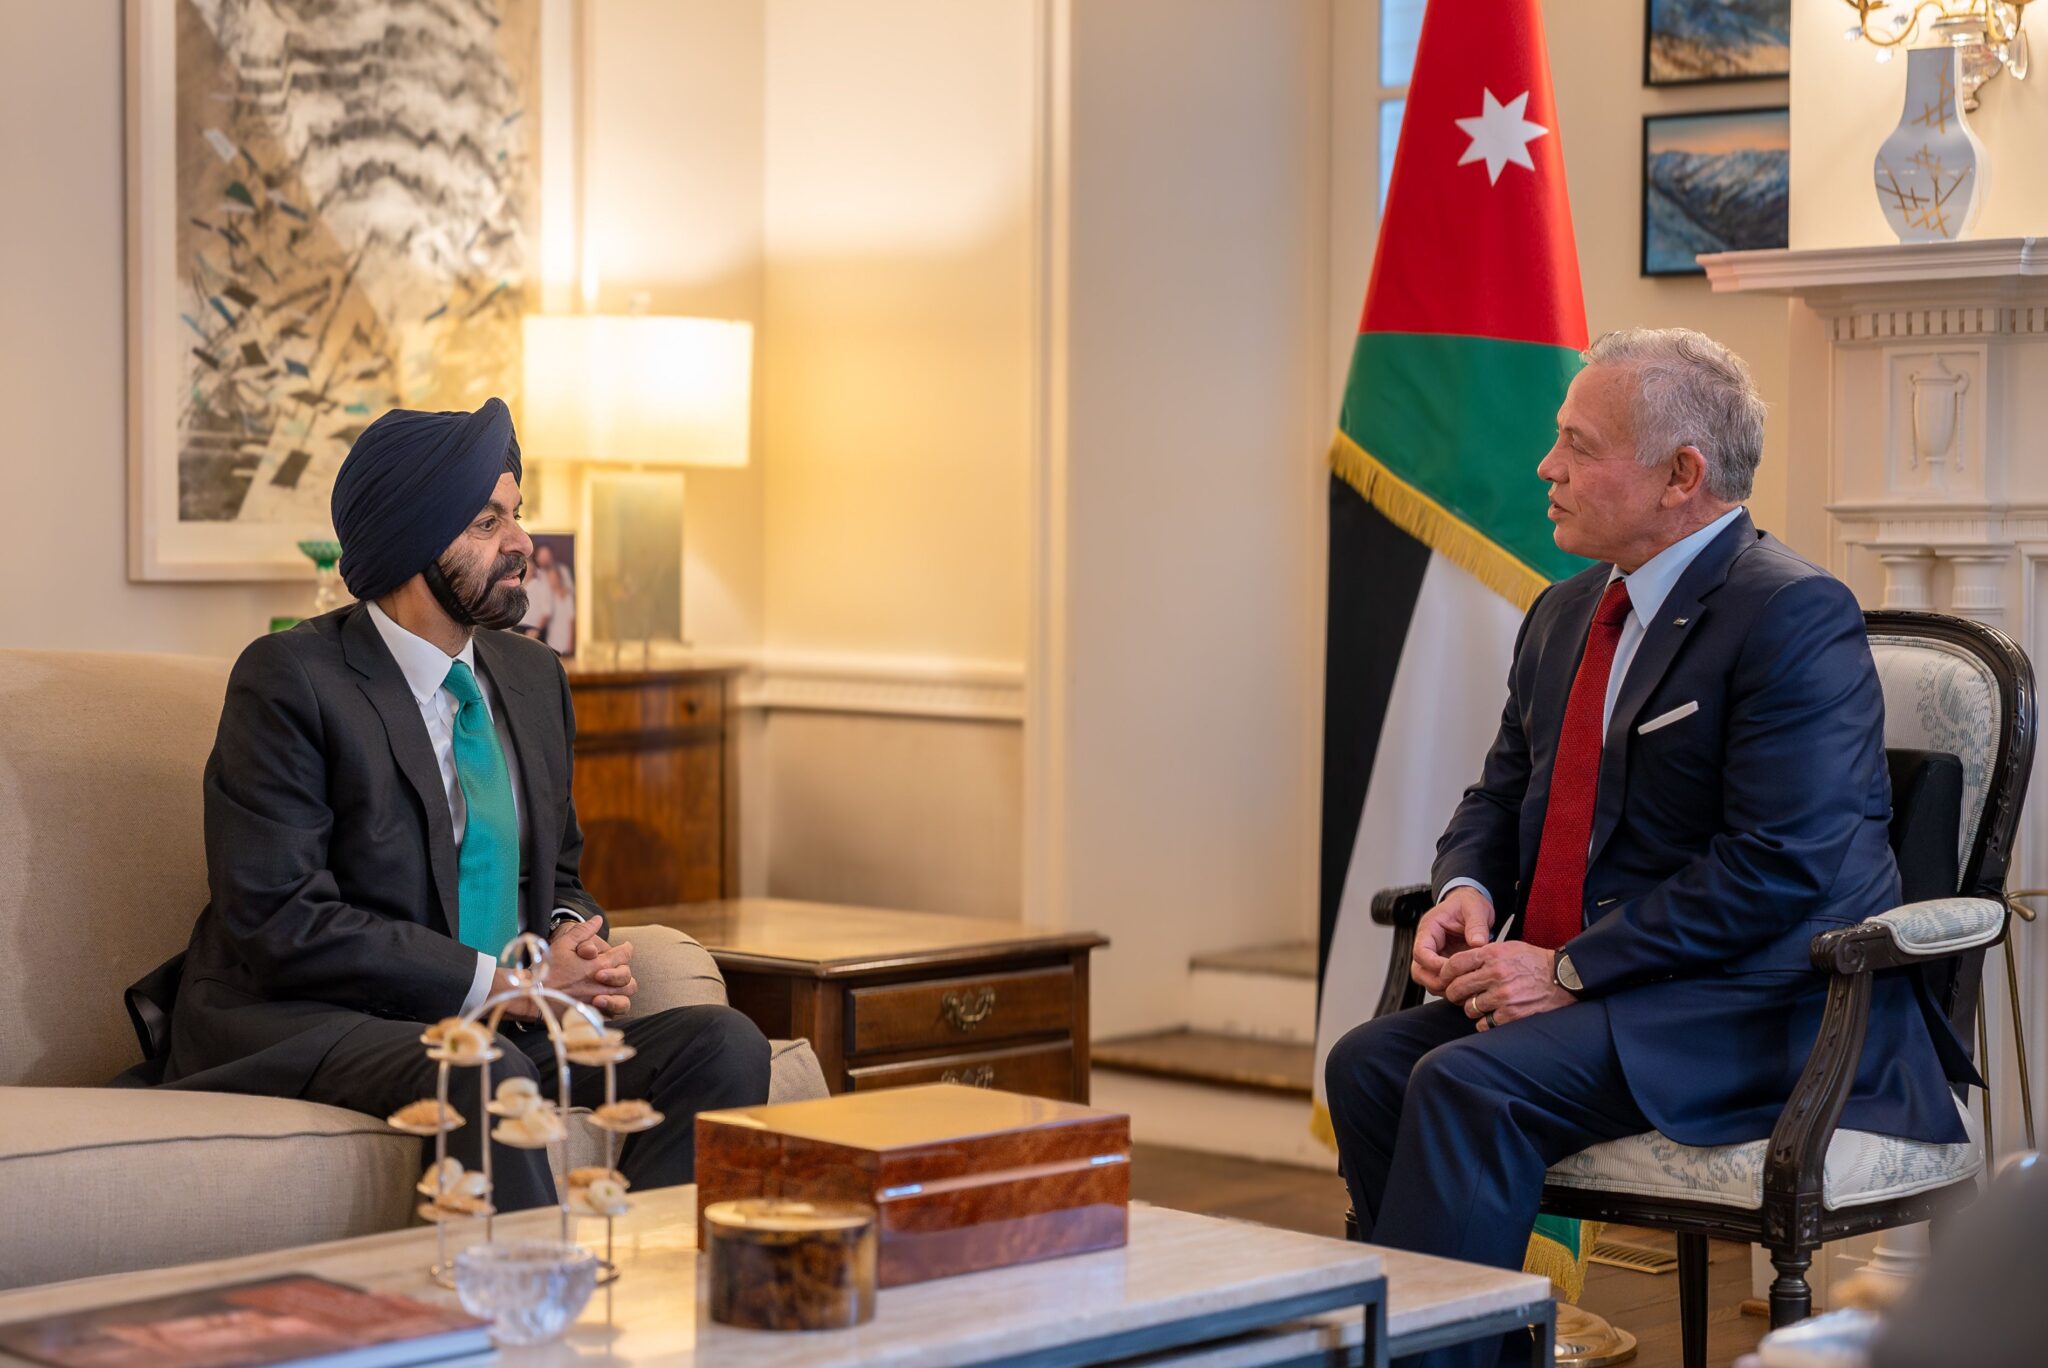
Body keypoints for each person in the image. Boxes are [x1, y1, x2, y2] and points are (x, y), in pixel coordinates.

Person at [1322, 329, 1975, 1368]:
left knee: (1466, 1084)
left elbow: (1779, 865)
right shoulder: (1564, 610)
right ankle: (1475, 1352)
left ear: (1681, 475)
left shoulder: (1792, 614)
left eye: (1578, 446)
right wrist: (1464, 889)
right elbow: (1501, 791)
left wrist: (1566, 970)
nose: (1546, 467)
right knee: (1367, 1064)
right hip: (1609, 992)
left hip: (1756, 1004)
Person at [138, 397, 769, 1210]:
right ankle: (527, 1286)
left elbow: (558, 875)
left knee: (722, 1043)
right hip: (317, 1017)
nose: (522, 542)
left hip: (496, 1024)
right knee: (483, 1067)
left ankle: (647, 1273)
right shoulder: (291, 680)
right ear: (411, 541)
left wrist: (571, 938)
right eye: (487, 522)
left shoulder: (532, 678)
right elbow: (280, 918)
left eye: (517, 515)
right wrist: (502, 987)